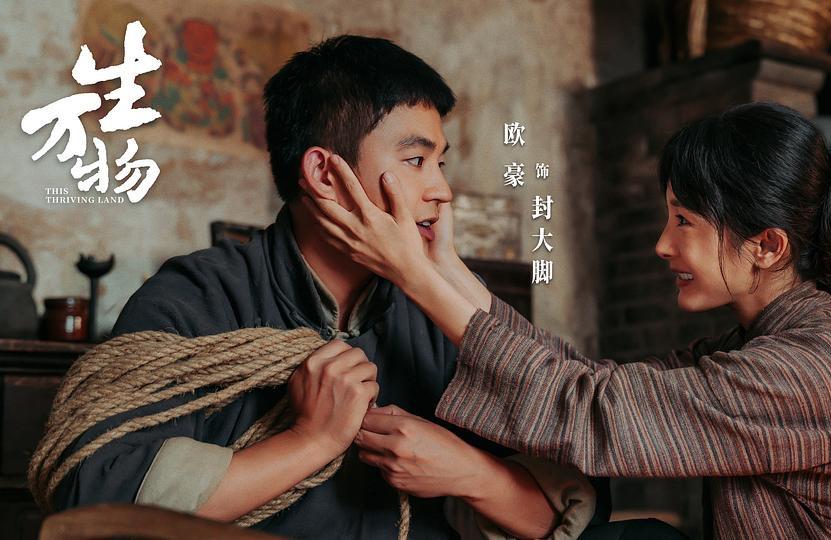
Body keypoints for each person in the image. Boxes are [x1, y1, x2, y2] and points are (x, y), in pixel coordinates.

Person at [54, 35, 631, 539]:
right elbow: (95, 500)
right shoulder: (197, 298)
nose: (441, 191)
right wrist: (309, 441)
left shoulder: (444, 313)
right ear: (325, 174)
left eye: (440, 163)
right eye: (416, 160)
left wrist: (471, 473)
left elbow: (576, 503)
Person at [303, 102, 831, 538]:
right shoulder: (770, 341)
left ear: (767, 246)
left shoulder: (808, 370)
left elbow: (589, 409)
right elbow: (590, 380)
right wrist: (441, 265)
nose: (663, 245)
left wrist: (411, 276)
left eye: (684, 222)